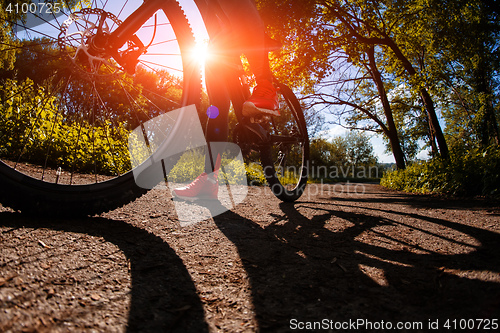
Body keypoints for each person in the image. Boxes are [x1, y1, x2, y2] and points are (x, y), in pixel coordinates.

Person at [172, 0, 279, 201]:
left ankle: (266, 84)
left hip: (236, 31)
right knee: (216, 110)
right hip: (217, 47)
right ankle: (209, 181)